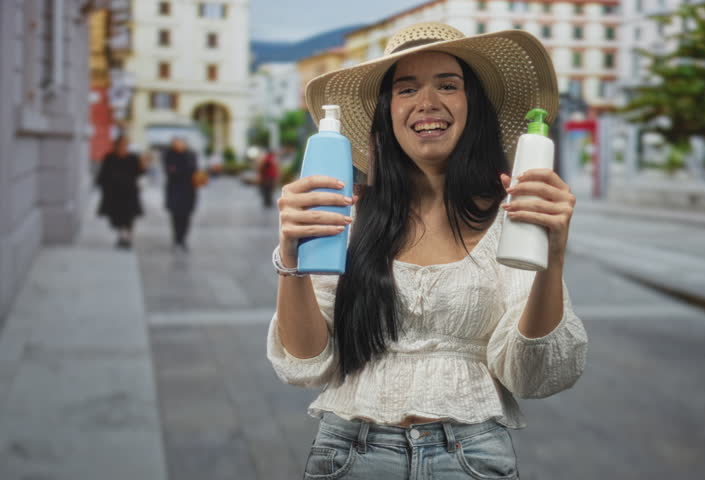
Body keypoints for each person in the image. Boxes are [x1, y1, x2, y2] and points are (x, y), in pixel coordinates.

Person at [267, 23, 588, 479]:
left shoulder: (511, 217)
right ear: (387, 112)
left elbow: (533, 374)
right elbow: (304, 363)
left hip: (470, 457)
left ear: (472, 104)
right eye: (407, 88)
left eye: (448, 85)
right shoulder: (347, 214)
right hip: (348, 455)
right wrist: (290, 256)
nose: (427, 103)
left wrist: (551, 259)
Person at [96, 135, 146, 249]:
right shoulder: (110, 157)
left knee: (129, 216)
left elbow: (140, 172)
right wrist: (104, 188)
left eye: (125, 145)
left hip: (129, 193)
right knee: (118, 217)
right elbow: (103, 175)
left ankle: (127, 237)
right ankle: (121, 236)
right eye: (121, 145)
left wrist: (143, 164)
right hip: (115, 193)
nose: (123, 147)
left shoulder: (133, 158)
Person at [163, 137, 198, 251]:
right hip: (174, 190)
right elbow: (170, 171)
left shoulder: (190, 155)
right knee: (175, 215)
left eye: (181, 143)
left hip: (188, 190)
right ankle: (177, 238)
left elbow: (193, 170)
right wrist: (181, 170)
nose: (179, 145)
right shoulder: (169, 155)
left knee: (186, 216)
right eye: (176, 143)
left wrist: (179, 170)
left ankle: (182, 239)